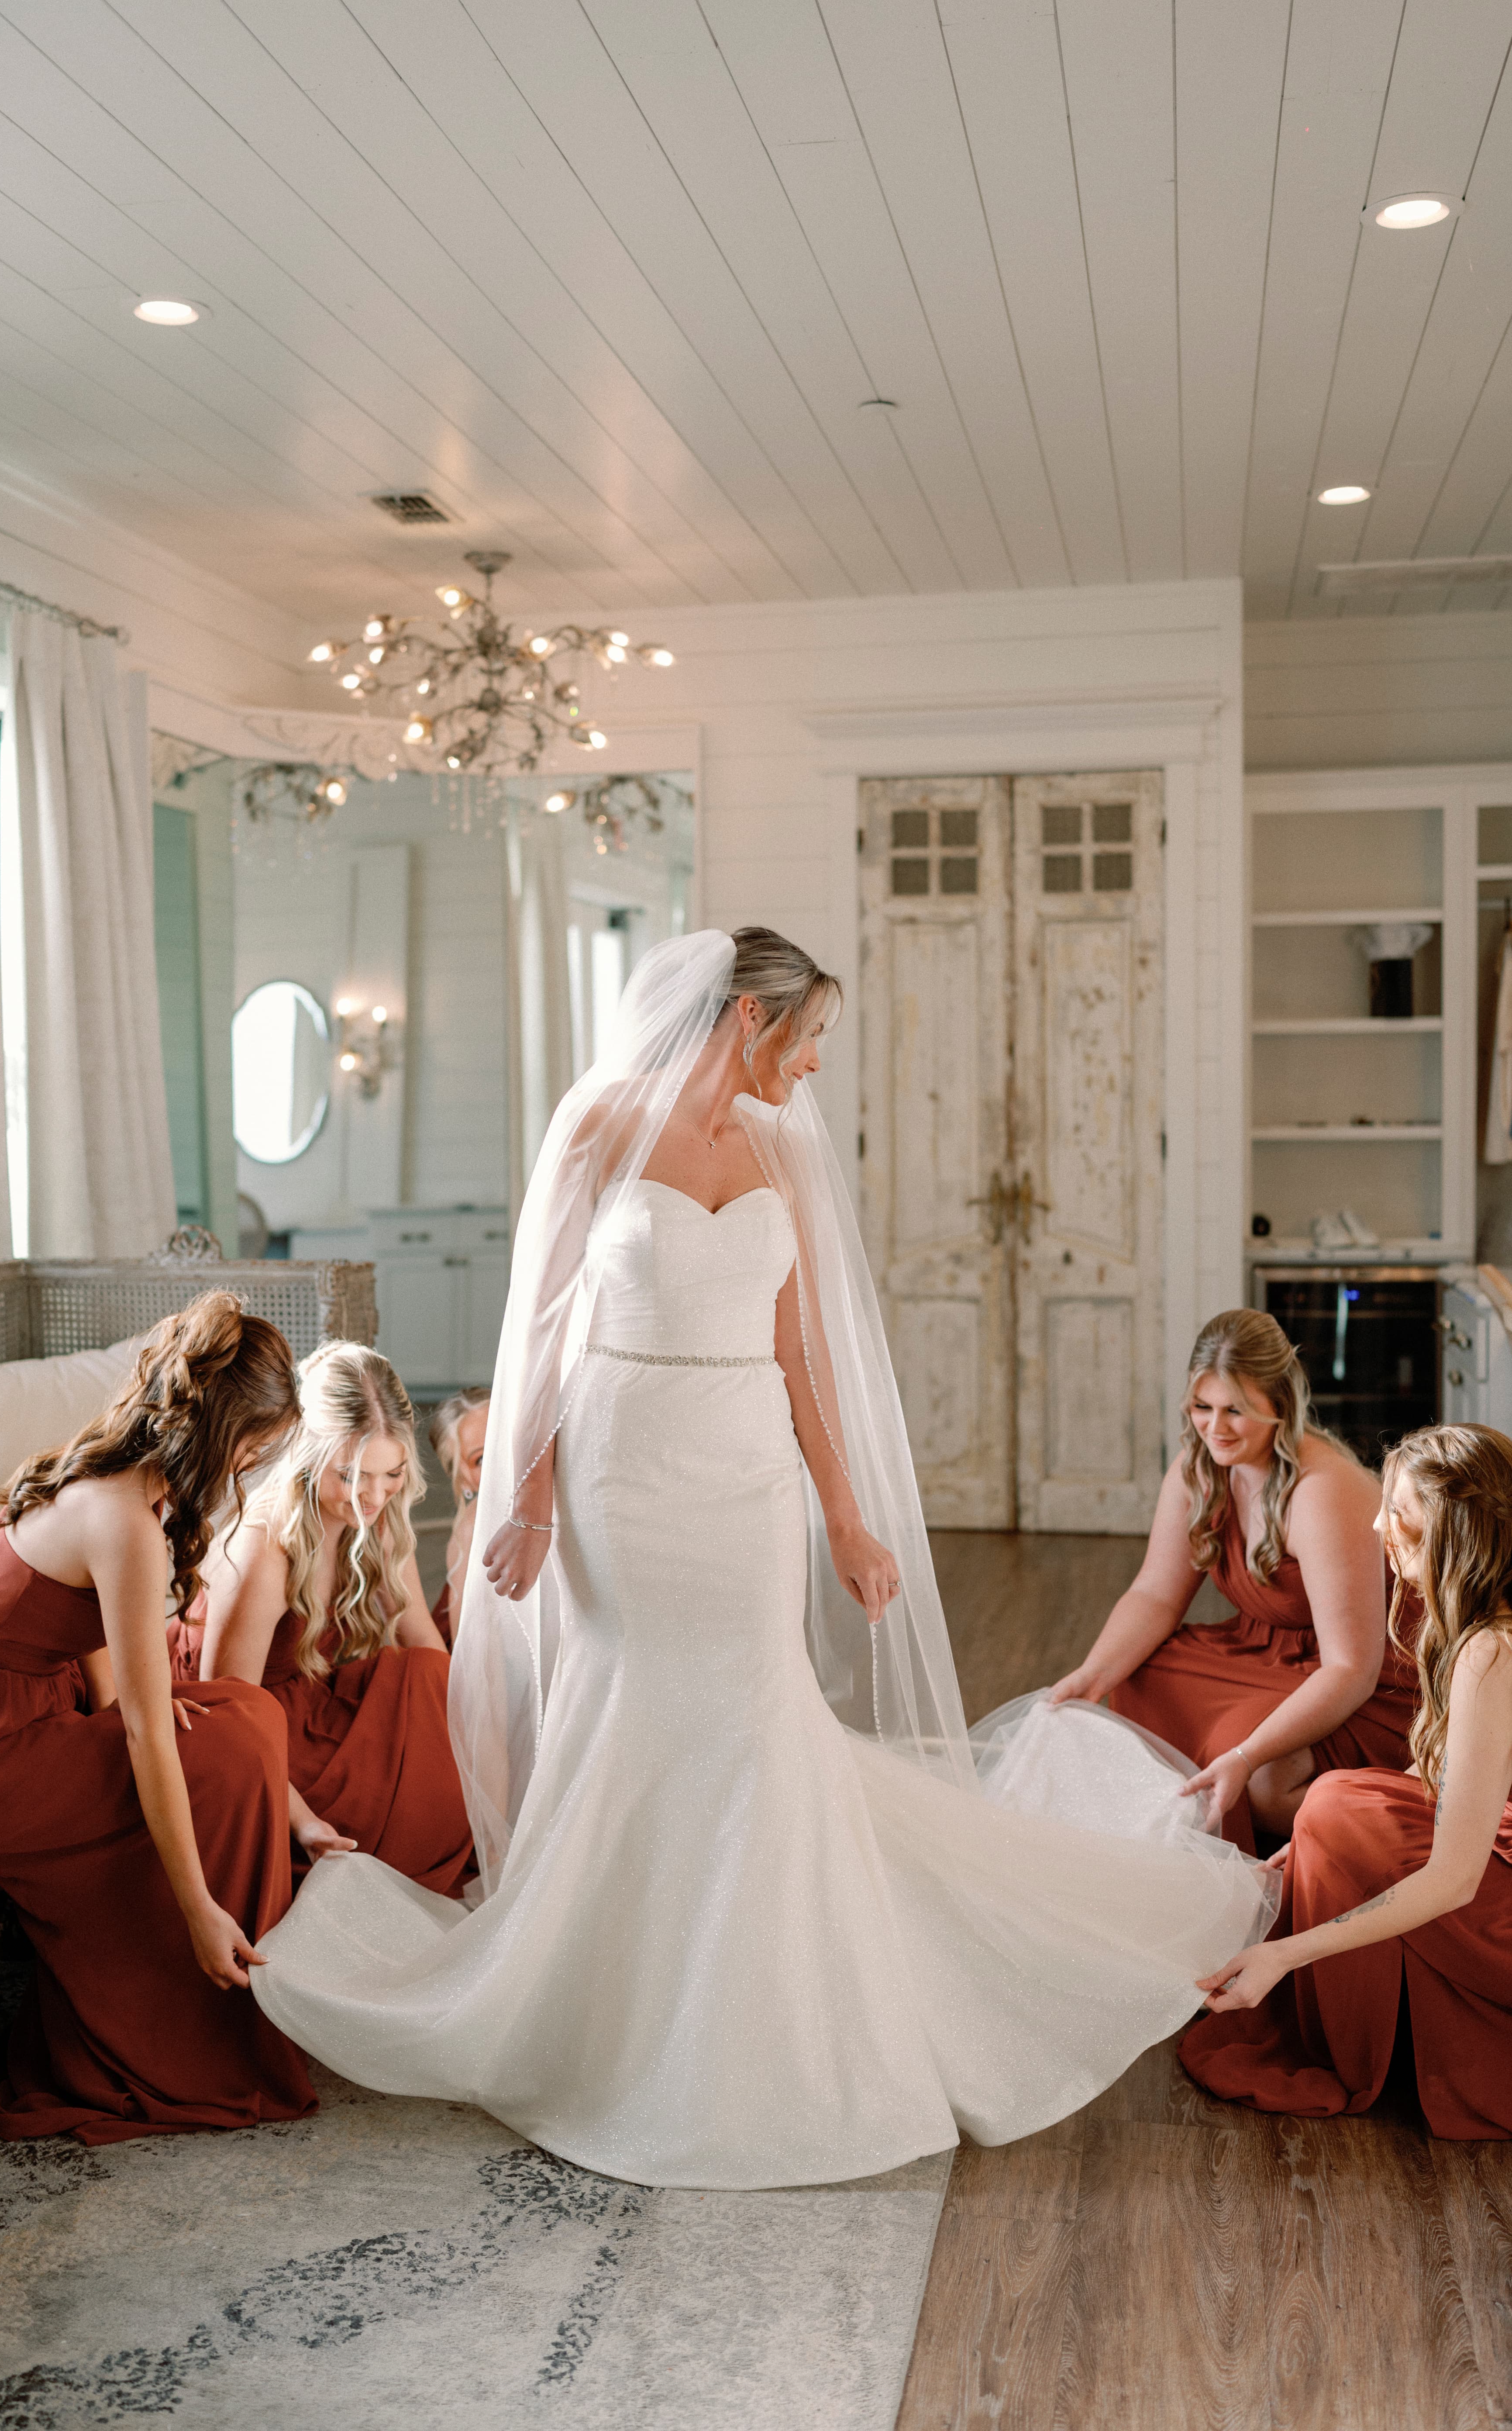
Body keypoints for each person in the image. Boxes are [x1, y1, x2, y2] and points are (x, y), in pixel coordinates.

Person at [248, 927, 1275, 2190]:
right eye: (814, 1036)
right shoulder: (599, 1133)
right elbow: (547, 1332)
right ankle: (622, 2006)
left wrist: (845, 1514)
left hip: (744, 1475)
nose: (820, 1065)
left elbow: (804, 1359)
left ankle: (762, 1997)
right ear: (747, 1018)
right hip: (624, 1471)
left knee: (756, 1711)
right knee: (634, 1711)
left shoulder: (780, 1148)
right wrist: (524, 1499)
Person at [0, 1293, 316, 2145]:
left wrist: (134, 1717)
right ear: (218, 1432)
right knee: (230, 1748)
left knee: (242, 1718)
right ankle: (198, 2012)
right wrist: (199, 1906)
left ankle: (218, 2008)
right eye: (253, 1447)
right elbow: (142, 1733)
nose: (253, 1465)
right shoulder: (121, 1515)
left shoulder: (113, 1470)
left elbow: (102, 1662)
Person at [1185, 1423, 1512, 2138]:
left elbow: (1455, 1880)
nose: (1376, 1525)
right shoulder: (1478, 1621)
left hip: (1499, 1910)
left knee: (1336, 1808)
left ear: (1458, 1532)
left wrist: (1285, 1953)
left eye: (1399, 1514)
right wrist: (1306, 1846)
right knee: (1339, 1803)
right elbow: (1458, 1779)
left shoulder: (1491, 1650)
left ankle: (1355, 2036)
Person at [1048, 1310, 1412, 1852]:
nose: (1215, 1427)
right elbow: (1154, 1594)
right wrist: (1091, 1676)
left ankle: (1387, 1831)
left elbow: (1352, 1669)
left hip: (1374, 1671)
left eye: (1235, 1411)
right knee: (1136, 1678)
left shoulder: (1321, 1490)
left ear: (1279, 1409)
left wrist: (1246, 1757)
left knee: (1260, 1778)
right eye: (1203, 1407)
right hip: (1265, 1651)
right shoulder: (1200, 1467)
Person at [175, 1343, 473, 1899]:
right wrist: (303, 1820)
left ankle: (423, 1843)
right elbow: (227, 1718)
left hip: (312, 1704)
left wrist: (491, 1756)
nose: (376, 1495)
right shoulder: (263, 1549)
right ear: (308, 1456)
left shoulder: (380, 1519)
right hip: (243, 1730)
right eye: (354, 1476)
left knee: (429, 1677)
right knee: (405, 1804)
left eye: (393, 1474)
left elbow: (426, 1646)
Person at [428, 1385, 489, 1647]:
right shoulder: (472, 1529)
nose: (507, 1460)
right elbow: (468, 1653)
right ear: (464, 1482)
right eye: (483, 1459)